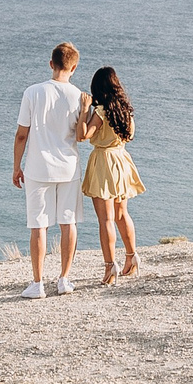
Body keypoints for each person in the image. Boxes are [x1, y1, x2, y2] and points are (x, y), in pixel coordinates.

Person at [12, 42, 89, 299]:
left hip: (37, 168)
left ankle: (37, 284)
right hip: (68, 168)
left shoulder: (32, 92)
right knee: (68, 223)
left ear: (51, 63)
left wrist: (16, 166)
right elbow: (80, 136)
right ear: (74, 67)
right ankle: (64, 280)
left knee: (39, 226)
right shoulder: (79, 96)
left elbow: (22, 135)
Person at [73, 65, 145, 284]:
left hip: (104, 162)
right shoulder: (126, 111)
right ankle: (132, 257)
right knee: (122, 214)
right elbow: (130, 136)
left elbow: (82, 135)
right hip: (122, 161)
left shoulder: (102, 112)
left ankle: (109, 266)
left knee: (106, 219)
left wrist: (85, 109)